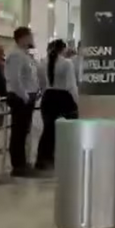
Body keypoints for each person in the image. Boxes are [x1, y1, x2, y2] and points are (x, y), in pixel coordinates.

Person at [37, 39, 79, 171]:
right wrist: (77, 102)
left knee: (48, 129)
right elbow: (71, 85)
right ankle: (63, 158)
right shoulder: (67, 63)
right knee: (65, 130)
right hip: (63, 99)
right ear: (64, 49)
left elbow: (42, 84)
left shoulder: (43, 63)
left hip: (48, 97)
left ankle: (44, 159)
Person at [5, 27, 39, 177]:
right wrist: (25, 96)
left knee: (24, 131)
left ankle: (23, 162)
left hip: (26, 97)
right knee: (18, 132)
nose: (32, 39)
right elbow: (15, 79)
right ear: (23, 38)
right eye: (30, 36)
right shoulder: (16, 55)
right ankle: (18, 166)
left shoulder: (25, 55)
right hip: (20, 98)